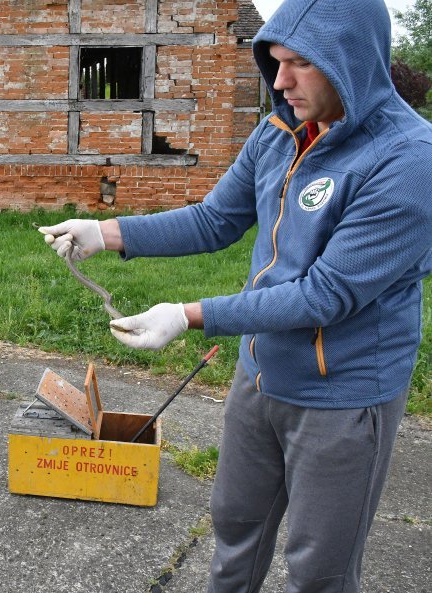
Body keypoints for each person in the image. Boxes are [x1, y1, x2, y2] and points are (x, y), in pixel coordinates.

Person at [39, 0, 432, 591]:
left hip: (342, 395)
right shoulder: (280, 133)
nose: (280, 81)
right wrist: (105, 233)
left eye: (300, 63)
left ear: (352, 59)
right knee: (235, 528)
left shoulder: (408, 160)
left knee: (318, 568)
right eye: (276, 61)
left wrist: (188, 315)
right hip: (259, 374)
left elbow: (326, 295)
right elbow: (214, 220)